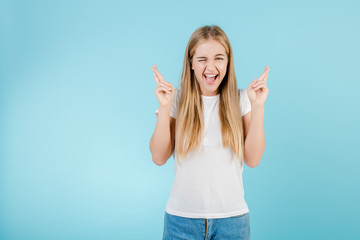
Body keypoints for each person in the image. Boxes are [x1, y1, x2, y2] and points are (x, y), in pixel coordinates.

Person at [149, 25, 270, 240]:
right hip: (181, 221)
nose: (210, 67)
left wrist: (258, 106)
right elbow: (159, 157)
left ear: (228, 62)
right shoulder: (175, 99)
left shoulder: (242, 100)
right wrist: (165, 106)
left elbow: (253, 159)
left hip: (232, 223)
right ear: (191, 63)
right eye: (202, 59)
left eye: (219, 58)